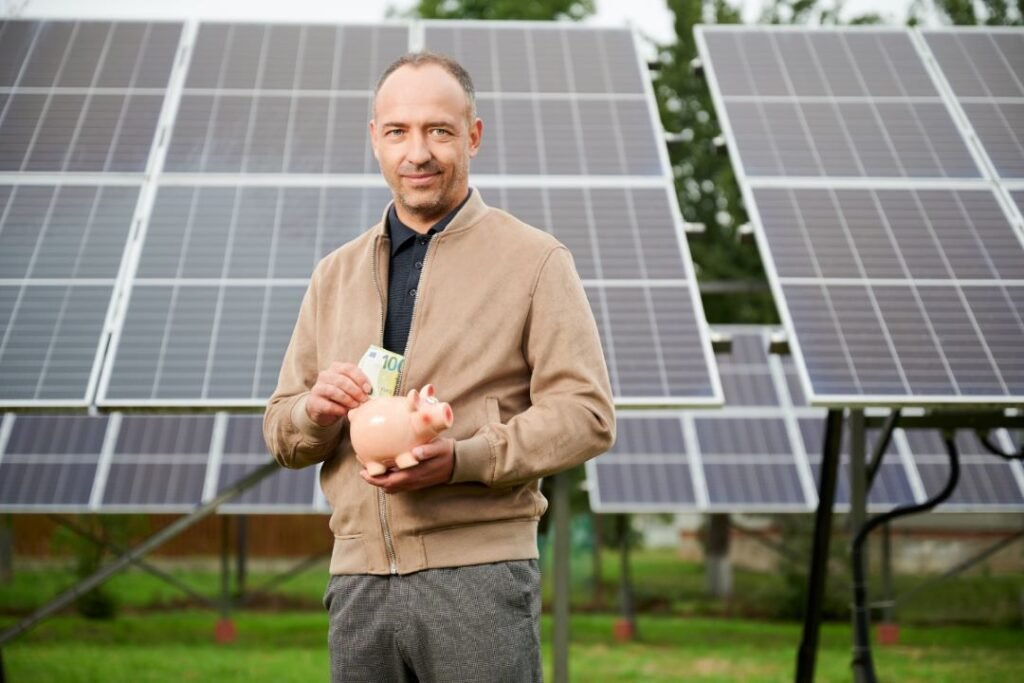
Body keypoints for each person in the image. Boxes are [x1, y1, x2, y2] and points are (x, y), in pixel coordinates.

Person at [263, 51, 615, 683]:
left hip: (478, 580)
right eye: (397, 131)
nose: (417, 152)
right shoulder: (334, 274)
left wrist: (463, 459)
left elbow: (587, 417)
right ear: (374, 138)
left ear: (472, 136)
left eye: (439, 131)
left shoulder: (535, 262)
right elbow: (282, 428)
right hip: (357, 582)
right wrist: (313, 412)